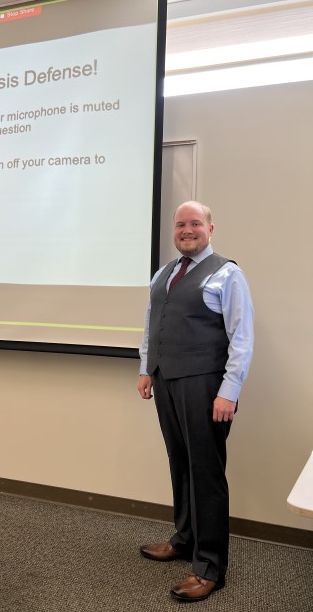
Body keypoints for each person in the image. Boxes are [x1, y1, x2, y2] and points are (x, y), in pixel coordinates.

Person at [137, 200, 253, 602]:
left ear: (210, 228)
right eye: (181, 224)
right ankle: (184, 539)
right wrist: (145, 367)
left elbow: (242, 338)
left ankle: (209, 568)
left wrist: (229, 392)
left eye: (195, 224)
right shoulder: (164, 273)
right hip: (166, 381)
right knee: (180, 465)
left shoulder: (227, 273)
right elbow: (152, 323)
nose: (187, 230)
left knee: (205, 473)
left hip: (205, 386)